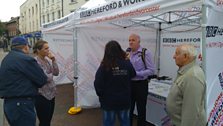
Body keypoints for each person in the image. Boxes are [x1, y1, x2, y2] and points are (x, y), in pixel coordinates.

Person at [0, 36, 47, 126]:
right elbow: (42, 79)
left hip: (9, 104)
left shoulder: (6, 59)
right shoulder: (26, 59)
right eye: (28, 46)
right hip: (22, 105)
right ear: (25, 47)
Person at [94, 40, 136, 126]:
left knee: (108, 123)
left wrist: (101, 95)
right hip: (124, 100)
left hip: (109, 101)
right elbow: (133, 74)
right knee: (125, 122)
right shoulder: (126, 63)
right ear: (119, 50)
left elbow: (97, 83)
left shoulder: (104, 65)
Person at [166, 44, 206, 126]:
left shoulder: (193, 76)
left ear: (185, 56)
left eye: (176, 54)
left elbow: (191, 113)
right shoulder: (186, 71)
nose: (174, 56)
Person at [127, 33, 155, 126]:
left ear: (139, 41)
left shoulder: (145, 53)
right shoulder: (127, 53)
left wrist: (136, 74)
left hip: (141, 85)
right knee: (129, 109)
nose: (130, 42)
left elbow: (151, 71)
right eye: (129, 40)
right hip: (130, 84)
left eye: (133, 40)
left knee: (141, 109)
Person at [33, 40, 59, 126]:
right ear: (38, 50)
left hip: (51, 94)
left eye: (48, 48)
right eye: (46, 48)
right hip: (42, 96)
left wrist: (53, 60)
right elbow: (46, 78)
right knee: (44, 121)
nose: (48, 50)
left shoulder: (47, 60)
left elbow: (56, 73)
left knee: (48, 120)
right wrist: (49, 75)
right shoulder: (35, 62)